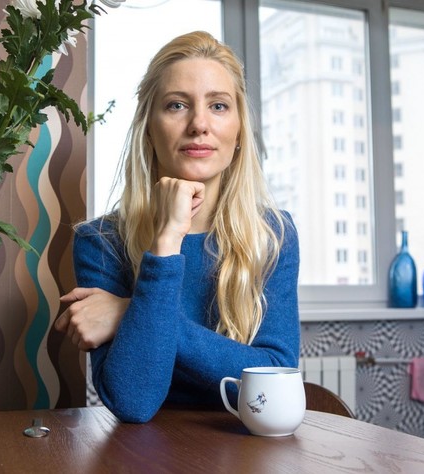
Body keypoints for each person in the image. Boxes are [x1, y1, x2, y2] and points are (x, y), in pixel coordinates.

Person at [54, 31, 300, 423]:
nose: (199, 124)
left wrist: (129, 311)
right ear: (149, 129)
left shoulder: (274, 235)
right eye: (177, 105)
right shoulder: (101, 242)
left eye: (218, 106)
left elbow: (274, 378)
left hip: (246, 447)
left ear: (238, 131)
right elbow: (133, 402)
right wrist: (167, 239)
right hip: (141, 451)